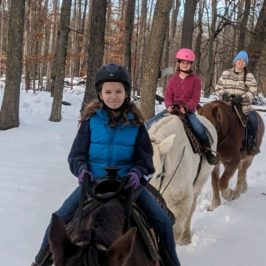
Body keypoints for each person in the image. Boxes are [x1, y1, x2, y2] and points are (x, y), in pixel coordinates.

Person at [31, 63, 180, 266]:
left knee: (162, 221)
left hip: (128, 186)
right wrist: (82, 170)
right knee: (60, 217)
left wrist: (136, 173)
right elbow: (76, 155)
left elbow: (145, 159)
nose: (113, 96)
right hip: (93, 185)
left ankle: (172, 262)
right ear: (100, 94)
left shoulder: (136, 123)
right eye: (108, 91)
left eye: (118, 91)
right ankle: (40, 261)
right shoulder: (90, 121)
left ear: (126, 92)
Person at [164, 48, 218, 165]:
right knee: (151, 123)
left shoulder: (196, 80)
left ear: (191, 65)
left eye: (187, 63)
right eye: (183, 62)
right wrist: (168, 105)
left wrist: (187, 108)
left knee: (198, 128)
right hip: (173, 109)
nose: (185, 65)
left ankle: (208, 151)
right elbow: (168, 95)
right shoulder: (172, 79)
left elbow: (195, 98)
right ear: (178, 63)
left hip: (187, 111)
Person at [215, 50, 259, 155]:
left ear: (246, 63)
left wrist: (242, 98)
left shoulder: (249, 76)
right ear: (235, 61)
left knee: (253, 120)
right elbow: (218, 87)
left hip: (242, 106)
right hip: (225, 104)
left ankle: (251, 142)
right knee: (211, 115)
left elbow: (253, 92)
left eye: (243, 61)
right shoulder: (225, 74)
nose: (240, 62)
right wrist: (223, 95)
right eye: (239, 60)